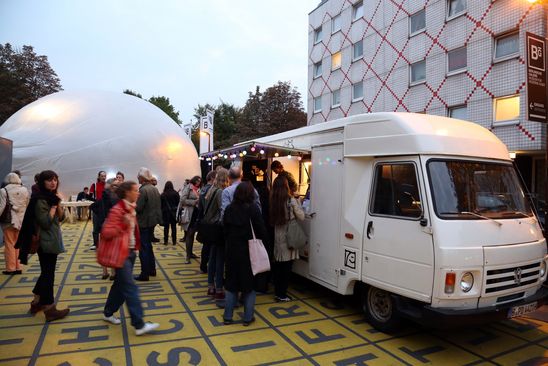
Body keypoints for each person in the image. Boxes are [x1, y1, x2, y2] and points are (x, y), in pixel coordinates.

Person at [101, 181, 160, 335]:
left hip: (130, 252)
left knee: (120, 287)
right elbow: (106, 232)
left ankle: (108, 312)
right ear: (127, 193)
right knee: (130, 287)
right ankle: (139, 324)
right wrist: (122, 225)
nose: (138, 193)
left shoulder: (130, 207)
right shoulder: (118, 210)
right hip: (121, 254)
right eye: (135, 190)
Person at [22, 170, 69, 321]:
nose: (53, 182)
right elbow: (46, 223)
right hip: (45, 242)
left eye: (55, 180)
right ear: (42, 182)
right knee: (48, 274)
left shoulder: (50, 198)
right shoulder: (40, 200)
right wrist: (54, 207)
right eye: (49, 180)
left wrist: (58, 204)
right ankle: (49, 308)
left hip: (51, 240)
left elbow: (61, 218)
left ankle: (36, 302)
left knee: (46, 272)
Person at [223, 181, 268, 326]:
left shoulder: (229, 209)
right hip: (250, 252)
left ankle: (228, 317)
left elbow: (225, 229)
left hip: (232, 251)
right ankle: (248, 318)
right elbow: (261, 229)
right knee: (249, 286)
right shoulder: (253, 209)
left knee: (231, 285)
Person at [270, 175, 305, 302]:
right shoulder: (291, 200)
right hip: (289, 235)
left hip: (277, 234)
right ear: (286, 186)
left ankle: (277, 292)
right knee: (287, 267)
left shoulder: (273, 200)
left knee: (278, 265)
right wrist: (299, 201)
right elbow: (301, 216)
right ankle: (282, 294)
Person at [203, 168, 228, 301]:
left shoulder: (210, 190)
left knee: (212, 257)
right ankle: (219, 288)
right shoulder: (220, 192)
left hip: (209, 228)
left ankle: (210, 286)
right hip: (217, 228)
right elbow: (222, 211)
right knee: (219, 258)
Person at [134, 168, 162, 281]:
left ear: (142, 178)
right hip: (152, 222)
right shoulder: (154, 189)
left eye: (138, 177)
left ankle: (144, 273)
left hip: (143, 222)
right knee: (148, 246)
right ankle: (152, 269)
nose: (137, 178)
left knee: (143, 248)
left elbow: (139, 208)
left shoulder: (143, 190)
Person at [0, 173, 29, 274]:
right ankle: (18, 267)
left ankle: (11, 268)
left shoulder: (4, 191)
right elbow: (26, 205)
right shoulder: (24, 190)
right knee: (18, 244)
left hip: (9, 221)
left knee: (9, 244)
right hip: (21, 220)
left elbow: (2, 207)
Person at [97, 178, 120, 280]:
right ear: (110, 186)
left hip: (103, 225)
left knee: (105, 249)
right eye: (114, 185)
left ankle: (105, 272)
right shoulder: (114, 197)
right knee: (111, 249)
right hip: (111, 225)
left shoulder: (103, 196)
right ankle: (113, 273)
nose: (116, 187)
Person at [196, 170, 217, 273]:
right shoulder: (213, 190)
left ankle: (203, 265)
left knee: (206, 245)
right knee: (211, 246)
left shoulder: (203, 189)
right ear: (212, 178)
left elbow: (199, 206)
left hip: (204, 220)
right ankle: (208, 266)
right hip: (212, 220)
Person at [178, 175, 201, 264]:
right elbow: (182, 200)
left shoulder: (197, 189)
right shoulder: (188, 188)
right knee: (189, 235)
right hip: (188, 214)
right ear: (194, 180)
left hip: (195, 214)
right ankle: (187, 255)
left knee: (191, 235)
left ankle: (190, 253)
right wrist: (193, 202)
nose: (199, 182)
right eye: (198, 181)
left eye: (200, 181)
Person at [90, 171, 107, 250]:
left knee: (104, 227)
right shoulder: (94, 185)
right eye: (102, 176)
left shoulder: (107, 185)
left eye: (105, 176)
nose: (104, 177)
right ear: (99, 177)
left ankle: (104, 243)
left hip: (105, 209)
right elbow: (89, 197)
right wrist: (95, 202)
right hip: (97, 209)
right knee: (96, 226)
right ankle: (95, 244)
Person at [160, 181, 180, 246]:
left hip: (165, 213)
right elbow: (178, 203)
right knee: (174, 227)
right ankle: (174, 241)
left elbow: (161, 205)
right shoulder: (176, 193)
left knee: (166, 228)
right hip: (173, 213)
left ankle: (166, 241)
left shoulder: (163, 194)